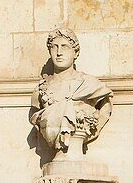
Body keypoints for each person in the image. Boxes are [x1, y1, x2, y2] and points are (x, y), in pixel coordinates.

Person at [29, 27, 112, 158]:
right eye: (54, 47)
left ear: (76, 53)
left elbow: (105, 109)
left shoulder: (90, 85)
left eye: (65, 47)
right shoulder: (41, 90)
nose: (59, 52)